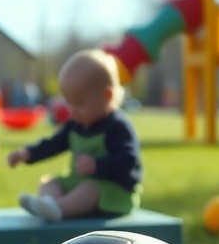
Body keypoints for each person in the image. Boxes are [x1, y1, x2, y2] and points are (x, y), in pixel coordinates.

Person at [8, 48, 143, 222]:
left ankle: (58, 208)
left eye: (79, 104)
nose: (72, 111)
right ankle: (49, 205)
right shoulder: (75, 125)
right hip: (78, 183)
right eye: (69, 104)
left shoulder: (118, 127)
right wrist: (28, 153)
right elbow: (53, 144)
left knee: (90, 189)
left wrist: (97, 165)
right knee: (49, 182)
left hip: (113, 192)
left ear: (107, 96)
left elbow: (128, 160)